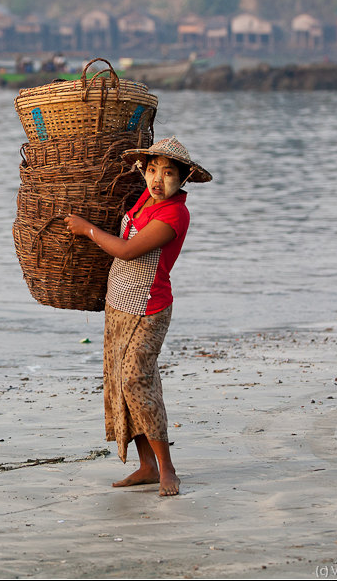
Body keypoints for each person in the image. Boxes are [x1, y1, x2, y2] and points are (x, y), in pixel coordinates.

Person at [64, 136, 212, 497]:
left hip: (149, 308)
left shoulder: (175, 213)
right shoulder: (147, 197)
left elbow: (128, 250)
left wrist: (88, 230)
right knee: (121, 383)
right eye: (151, 170)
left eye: (168, 173)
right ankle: (146, 466)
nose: (157, 180)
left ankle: (167, 469)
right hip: (119, 303)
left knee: (137, 380)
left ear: (185, 178)